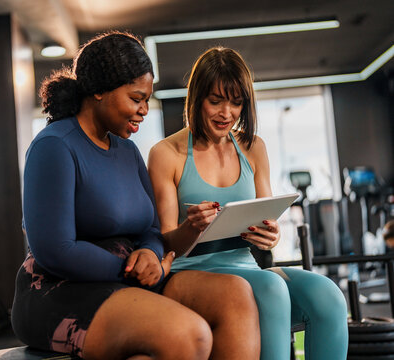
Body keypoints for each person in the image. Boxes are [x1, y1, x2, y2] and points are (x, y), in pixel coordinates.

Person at [11, 33, 261, 360]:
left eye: (147, 100)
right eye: (136, 98)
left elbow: (151, 229)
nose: (144, 109)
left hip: (131, 279)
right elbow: (55, 251)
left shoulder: (127, 151)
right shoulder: (54, 146)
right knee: (190, 335)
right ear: (99, 90)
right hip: (60, 291)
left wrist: (149, 252)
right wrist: (134, 268)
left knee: (235, 295)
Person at [148, 46, 348, 360]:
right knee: (271, 288)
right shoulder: (166, 153)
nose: (226, 113)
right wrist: (192, 227)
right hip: (187, 274)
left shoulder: (253, 148)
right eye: (215, 101)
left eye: (236, 102)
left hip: (246, 267)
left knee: (329, 297)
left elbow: (267, 222)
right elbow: (165, 242)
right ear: (197, 97)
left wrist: (271, 236)